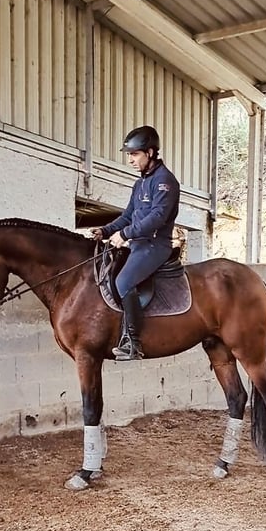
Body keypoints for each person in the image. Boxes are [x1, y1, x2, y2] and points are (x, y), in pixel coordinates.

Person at [91, 125, 180, 361]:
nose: (130, 160)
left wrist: (126, 234)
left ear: (150, 153)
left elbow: (158, 217)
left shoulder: (164, 181)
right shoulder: (140, 183)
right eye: (129, 155)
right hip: (138, 245)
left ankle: (133, 343)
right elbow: (128, 214)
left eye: (134, 154)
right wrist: (106, 230)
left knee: (123, 281)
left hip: (155, 245)